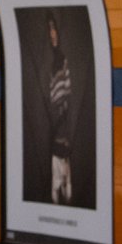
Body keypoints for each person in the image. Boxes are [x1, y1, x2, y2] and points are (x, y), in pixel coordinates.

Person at [45, 14, 76, 204]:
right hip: (55, 119)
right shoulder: (49, 61)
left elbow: (65, 86)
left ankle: (64, 192)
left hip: (62, 117)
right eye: (50, 31)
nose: (53, 35)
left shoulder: (62, 58)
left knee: (66, 177)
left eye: (54, 29)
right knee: (57, 178)